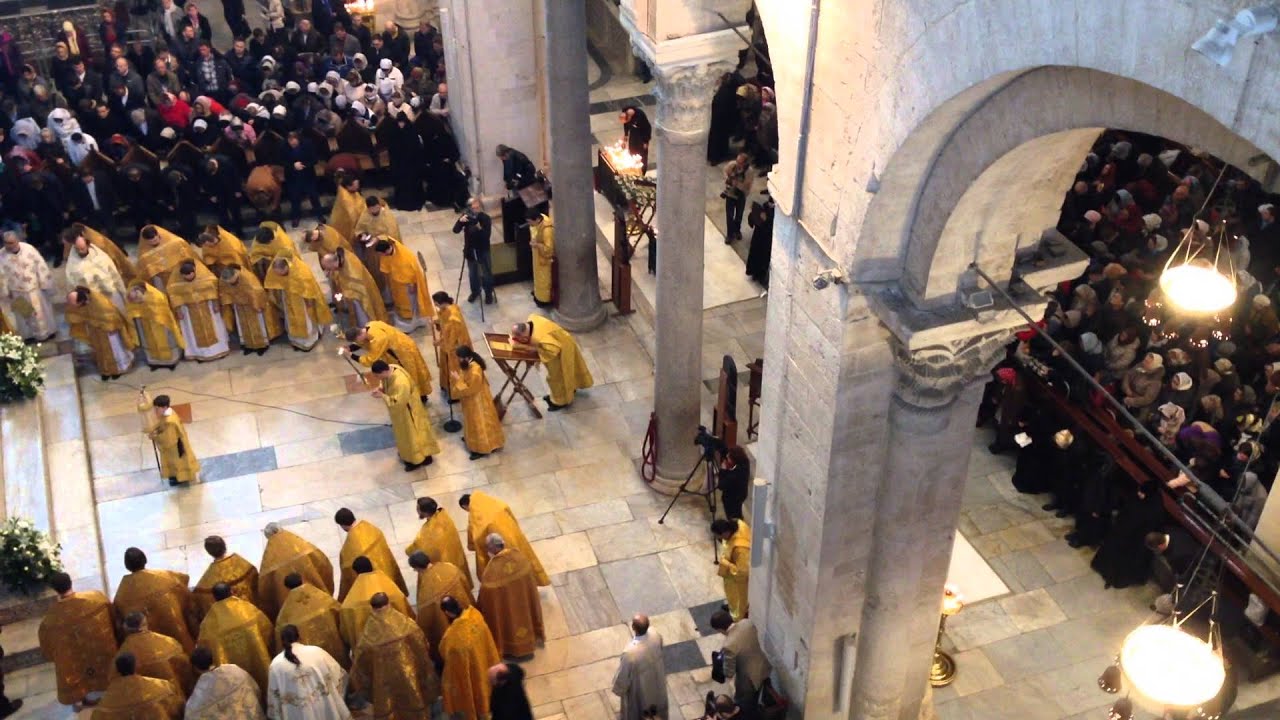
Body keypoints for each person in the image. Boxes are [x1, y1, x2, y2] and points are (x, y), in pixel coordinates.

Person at [352, 592, 440, 719]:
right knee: (414, 695)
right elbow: (422, 643)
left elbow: (360, 663)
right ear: (388, 604)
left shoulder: (367, 637)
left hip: (384, 682)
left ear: (372, 608)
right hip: (410, 675)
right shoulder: (407, 625)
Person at [39, 571, 118, 711]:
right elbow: (114, 617)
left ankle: (79, 701)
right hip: (100, 650)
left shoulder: (49, 620)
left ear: (54, 590)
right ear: (71, 582)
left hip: (75, 659)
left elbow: (49, 651)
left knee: (68, 662)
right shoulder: (96, 598)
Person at [196, 582, 276, 699]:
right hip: (258, 661)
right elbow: (267, 630)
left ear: (214, 597)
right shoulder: (247, 609)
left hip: (233, 680)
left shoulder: (208, 624)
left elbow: (206, 652)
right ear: (231, 592)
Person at [113, 547, 197, 652]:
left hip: (151, 650)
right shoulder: (165, 577)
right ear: (145, 560)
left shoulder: (121, 595)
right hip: (178, 634)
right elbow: (184, 582)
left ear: (127, 567)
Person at [458, 492, 550, 586]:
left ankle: (518, 586)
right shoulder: (495, 503)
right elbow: (510, 514)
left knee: (508, 568)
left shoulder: (475, 517)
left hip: (500, 547)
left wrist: (473, 545)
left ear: (465, 506)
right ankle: (530, 581)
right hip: (513, 536)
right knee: (523, 559)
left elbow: (476, 537)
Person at [476, 534, 544, 658]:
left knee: (510, 622)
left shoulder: (491, 571)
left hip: (507, 609)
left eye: (488, 548)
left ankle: (512, 647)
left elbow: (486, 597)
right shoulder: (519, 557)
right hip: (523, 602)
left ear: (492, 549)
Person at [368, 360, 440, 472]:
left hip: (408, 412)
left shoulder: (401, 382)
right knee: (408, 435)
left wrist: (382, 396)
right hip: (404, 411)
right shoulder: (392, 366)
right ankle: (419, 455)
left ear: (384, 371)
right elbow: (385, 381)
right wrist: (381, 388)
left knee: (411, 435)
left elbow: (398, 403)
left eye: (378, 376)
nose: (378, 379)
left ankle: (416, 460)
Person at [267, 624, 351, 720]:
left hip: (295, 713)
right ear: (299, 636)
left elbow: (274, 698)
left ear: (282, 641)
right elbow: (337, 674)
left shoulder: (275, 665)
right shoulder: (317, 651)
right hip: (323, 706)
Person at [510, 315, 594, 411]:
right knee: (564, 373)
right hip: (562, 341)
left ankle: (561, 402)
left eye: (518, 337)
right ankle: (564, 392)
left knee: (558, 378)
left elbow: (552, 350)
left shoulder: (540, 338)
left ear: (523, 335)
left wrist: (534, 349)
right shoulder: (532, 318)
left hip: (561, 353)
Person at [438, 596, 501, 720]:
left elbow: (444, 652)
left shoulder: (453, 637)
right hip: (485, 660)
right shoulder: (475, 615)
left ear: (447, 613)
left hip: (473, 670)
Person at [258, 522, 336, 621]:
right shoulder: (300, 545)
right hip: (319, 598)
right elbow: (323, 564)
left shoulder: (269, 561)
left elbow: (265, 589)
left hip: (290, 609)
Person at [407, 551, 474, 663]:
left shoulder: (426, 590)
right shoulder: (449, 567)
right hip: (467, 613)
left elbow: (425, 618)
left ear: (418, 568)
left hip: (449, 627)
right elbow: (465, 582)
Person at [111, 612, 196, 699]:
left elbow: (117, 682)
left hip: (146, 699)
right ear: (144, 624)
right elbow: (185, 666)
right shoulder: (169, 642)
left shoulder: (122, 655)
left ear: (126, 629)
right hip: (176, 697)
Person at [339, 555, 416, 650]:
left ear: (355, 572)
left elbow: (347, 631)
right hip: (399, 639)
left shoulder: (350, 602)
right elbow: (408, 613)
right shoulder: (391, 588)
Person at [333, 507, 409, 601]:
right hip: (387, 576)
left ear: (342, 525)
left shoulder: (348, 550)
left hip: (371, 587)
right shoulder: (371, 529)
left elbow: (348, 575)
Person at [276, 573, 348, 671]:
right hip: (335, 646)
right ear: (302, 579)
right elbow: (341, 615)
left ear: (286, 587)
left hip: (311, 662)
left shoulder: (285, 615)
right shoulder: (323, 599)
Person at [263, 249, 333, 351]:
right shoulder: (277, 267)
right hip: (288, 298)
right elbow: (276, 282)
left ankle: (309, 342)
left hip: (302, 301)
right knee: (291, 319)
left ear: (286, 267)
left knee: (306, 321)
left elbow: (309, 291)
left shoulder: (301, 273)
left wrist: (309, 304)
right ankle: (295, 341)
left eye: (282, 273)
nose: (280, 276)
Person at [343, 320, 432, 398]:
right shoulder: (370, 325)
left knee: (410, 374)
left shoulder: (378, 339)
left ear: (359, 336)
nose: (358, 342)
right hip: (401, 346)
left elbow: (370, 360)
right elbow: (364, 342)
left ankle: (418, 396)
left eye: (356, 340)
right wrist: (350, 348)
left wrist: (351, 355)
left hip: (402, 353)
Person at [67, 286, 138, 380]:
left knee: (114, 349)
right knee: (100, 350)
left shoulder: (99, 302)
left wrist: (110, 327)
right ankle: (105, 370)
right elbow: (74, 312)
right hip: (95, 330)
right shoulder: (78, 297)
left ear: (83, 300)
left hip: (109, 329)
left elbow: (110, 316)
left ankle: (117, 370)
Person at [168, 260, 232, 362]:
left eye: (190, 274)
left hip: (208, 308)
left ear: (194, 271)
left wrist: (215, 303)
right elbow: (174, 296)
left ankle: (219, 350)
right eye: (186, 276)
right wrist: (178, 310)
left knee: (216, 328)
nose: (188, 277)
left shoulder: (206, 278)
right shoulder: (176, 284)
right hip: (189, 311)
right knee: (192, 332)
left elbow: (213, 289)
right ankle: (198, 354)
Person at [404, 497, 473, 590]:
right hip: (455, 558)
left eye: (418, 509)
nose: (417, 511)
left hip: (443, 568)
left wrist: (408, 551)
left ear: (424, 512)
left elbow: (421, 550)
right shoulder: (444, 516)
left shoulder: (428, 533)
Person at [710, 611, 771, 715]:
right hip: (763, 666)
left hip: (749, 681)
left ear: (720, 630)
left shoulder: (729, 645)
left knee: (745, 706)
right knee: (758, 697)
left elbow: (729, 673)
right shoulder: (747, 623)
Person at [91, 652, 184, 719]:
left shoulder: (106, 703)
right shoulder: (161, 686)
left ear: (117, 671)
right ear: (136, 666)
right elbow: (179, 708)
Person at [0, 230, 55, 341]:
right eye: (6, 243)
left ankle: (47, 332)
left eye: (11, 242)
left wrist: (44, 282)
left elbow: (40, 265)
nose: (9, 245)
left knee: (41, 312)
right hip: (16, 291)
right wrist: (5, 291)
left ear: (17, 241)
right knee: (24, 315)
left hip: (34, 288)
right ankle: (30, 336)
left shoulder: (29, 249)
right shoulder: (1, 255)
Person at [451, 346, 505, 459]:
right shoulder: (469, 364)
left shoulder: (475, 371)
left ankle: (482, 449)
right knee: (471, 421)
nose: (458, 361)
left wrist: (458, 379)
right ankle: (471, 439)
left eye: (459, 358)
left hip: (477, 400)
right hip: (473, 398)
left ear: (466, 358)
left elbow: (471, 389)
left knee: (478, 422)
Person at [218, 264, 284, 355]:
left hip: (252, 306)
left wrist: (256, 305)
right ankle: (248, 345)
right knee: (243, 326)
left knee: (257, 325)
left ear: (235, 275)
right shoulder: (223, 280)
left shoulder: (247, 278)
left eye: (232, 281)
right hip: (239, 306)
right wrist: (229, 302)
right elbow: (224, 292)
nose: (231, 284)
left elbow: (256, 291)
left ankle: (262, 345)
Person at [184, 646, 265, 719]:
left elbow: (191, 716)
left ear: (195, 668)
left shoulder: (199, 697)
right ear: (212, 658)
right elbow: (255, 689)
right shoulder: (235, 670)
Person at [193, 535, 262, 621]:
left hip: (229, 620)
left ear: (209, 552)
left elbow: (200, 602)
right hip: (252, 614)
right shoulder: (243, 564)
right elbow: (257, 584)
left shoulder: (206, 582)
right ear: (224, 546)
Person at [612, 614, 668, 720]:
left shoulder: (630, 653)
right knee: (656, 703)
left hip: (639, 686)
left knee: (638, 709)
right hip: (656, 679)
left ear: (633, 627)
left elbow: (623, 676)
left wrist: (619, 688)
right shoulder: (655, 634)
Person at [375, 236, 433, 332]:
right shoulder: (387, 253)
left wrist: (411, 284)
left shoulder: (405, 256)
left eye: (381, 254)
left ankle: (413, 320)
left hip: (408, 285)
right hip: (396, 283)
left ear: (386, 251)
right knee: (399, 300)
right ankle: (404, 316)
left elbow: (413, 272)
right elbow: (386, 266)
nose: (381, 256)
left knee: (410, 302)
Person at [125, 280, 185, 370]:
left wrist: (146, 312)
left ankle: (171, 362)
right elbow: (132, 310)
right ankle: (154, 362)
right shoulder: (131, 296)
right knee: (149, 343)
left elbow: (160, 311)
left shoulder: (155, 295)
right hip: (145, 325)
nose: (135, 302)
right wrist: (137, 315)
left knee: (165, 341)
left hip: (160, 324)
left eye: (136, 299)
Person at [322, 248, 389, 327]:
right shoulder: (341, 256)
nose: (329, 270)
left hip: (362, 298)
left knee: (363, 315)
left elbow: (357, 291)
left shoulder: (352, 272)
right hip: (354, 292)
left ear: (333, 263)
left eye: (329, 268)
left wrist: (342, 296)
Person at [146, 393, 201, 486]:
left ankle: (179, 478)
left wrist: (155, 436)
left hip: (175, 448)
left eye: (157, 408)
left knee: (177, 464)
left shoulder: (170, 422)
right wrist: (155, 429)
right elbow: (161, 424)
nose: (155, 411)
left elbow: (168, 439)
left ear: (164, 407)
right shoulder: (170, 413)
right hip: (179, 442)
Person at [65, 230, 127, 311]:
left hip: (112, 295)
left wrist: (123, 292)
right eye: (78, 249)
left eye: (82, 248)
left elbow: (114, 274)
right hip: (93, 301)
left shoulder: (101, 256)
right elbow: (72, 287)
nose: (80, 251)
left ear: (88, 245)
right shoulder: (72, 266)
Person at [452, 198, 494, 304]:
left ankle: (488, 293)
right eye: (473, 208)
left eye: (477, 207)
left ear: (480, 207)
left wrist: (478, 226)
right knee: (472, 274)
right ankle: (475, 292)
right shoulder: (466, 217)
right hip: (470, 250)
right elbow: (455, 230)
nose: (475, 210)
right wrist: (460, 221)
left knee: (486, 273)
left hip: (483, 250)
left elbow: (486, 236)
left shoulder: (485, 218)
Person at [433, 292, 473, 400]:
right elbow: (443, 319)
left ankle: (455, 394)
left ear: (442, 303)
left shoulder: (453, 319)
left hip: (456, 347)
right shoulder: (450, 307)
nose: (436, 306)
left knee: (454, 367)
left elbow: (451, 339)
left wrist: (439, 342)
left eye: (436, 304)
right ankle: (446, 385)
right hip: (449, 341)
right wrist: (436, 321)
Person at [712, 518, 751, 621]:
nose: (718, 539)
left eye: (718, 536)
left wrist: (726, 564)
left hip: (740, 581)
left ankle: (737, 618)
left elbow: (743, 572)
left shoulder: (740, 549)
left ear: (725, 533)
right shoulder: (738, 523)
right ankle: (731, 607)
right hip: (732, 572)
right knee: (732, 595)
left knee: (739, 599)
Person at [136, 225, 197, 290]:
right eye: (151, 242)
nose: (155, 242)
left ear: (158, 235)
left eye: (155, 239)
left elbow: (191, 256)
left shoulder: (176, 242)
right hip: (166, 280)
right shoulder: (145, 255)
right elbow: (144, 274)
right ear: (146, 241)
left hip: (183, 274)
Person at [284, 131, 324, 227]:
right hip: (292, 176)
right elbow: (281, 160)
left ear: (298, 139)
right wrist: (293, 166)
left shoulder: (308, 144)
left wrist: (304, 165)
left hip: (307, 175)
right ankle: (296, 217)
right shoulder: (283, 146)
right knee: (295, 198)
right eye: (290, 140)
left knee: (314, 196)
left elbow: (314, 159)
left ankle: (319, 215)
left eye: (294, 140)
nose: (292, 142)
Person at [722, 153, 753, 243]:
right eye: (737, 161)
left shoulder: (749, 172)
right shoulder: (732, 165)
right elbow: (725, 171)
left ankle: (737, 230)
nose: (737, 164)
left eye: (740, 162)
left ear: (745, 164)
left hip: (741, 195)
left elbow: (747, 185)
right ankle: (729, 234)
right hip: (731, 193)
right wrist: (728, 179)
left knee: (739, 215)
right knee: (729, 215)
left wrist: (737, 184)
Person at [528, 211, 555, 308]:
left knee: (544, 281)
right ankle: (537, 294)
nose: (530, 224)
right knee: (537, 278)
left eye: (530, 222)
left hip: (544, 261)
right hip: (537, 258)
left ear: (538, 219)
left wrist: (537, 245)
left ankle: (544, 300)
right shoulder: (539, 220)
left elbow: (549, 250)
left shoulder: (547, 230)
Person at [718, 447, 751, 520]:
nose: (727, 457)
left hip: (732, 499)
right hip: (741, 494)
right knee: (738, 512)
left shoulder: (734, 475)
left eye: (729, 457)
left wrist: (723, 470)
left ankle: (736, 527)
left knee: (733, 517)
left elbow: (720, 486)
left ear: (734, 460)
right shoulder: (745, 462)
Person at [620, 105, 652, 171]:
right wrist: (625, 136)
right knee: (632, 149)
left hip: (642, 135)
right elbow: (625, 124)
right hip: (634, 132)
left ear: (629, 117)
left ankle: (642, 171)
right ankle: (633, 167)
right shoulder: (626, 113)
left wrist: (646, 141)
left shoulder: (640, 116)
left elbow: (647, 128)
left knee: (642, 154)